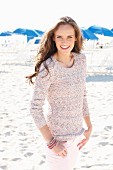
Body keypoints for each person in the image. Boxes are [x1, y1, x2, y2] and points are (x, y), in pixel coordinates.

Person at [26, 16, 92, 170]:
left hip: (78, 136)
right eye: (60, 37)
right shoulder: (48, 67)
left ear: (76, 38)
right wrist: (51, 143)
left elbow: (82, 95)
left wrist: (89, 127)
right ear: (53, 39)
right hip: (58, 141)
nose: (64, 41)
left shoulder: (81, 61)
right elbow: (35, 108)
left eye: (69, 36)